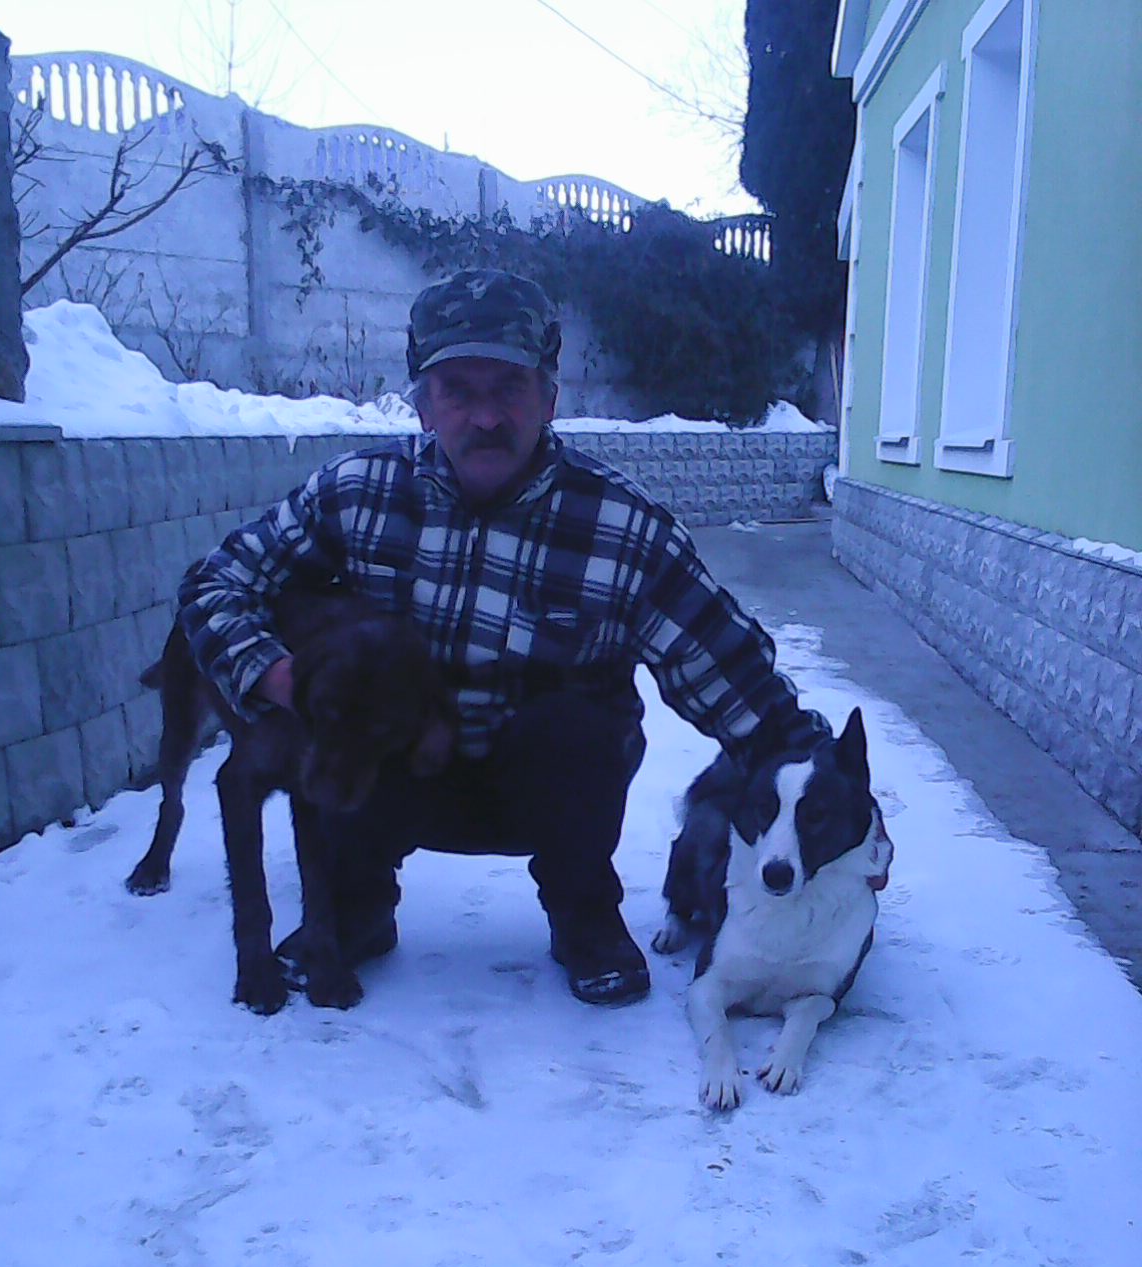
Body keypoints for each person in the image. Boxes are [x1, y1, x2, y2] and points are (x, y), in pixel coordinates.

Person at [178, 267, 830, 1008]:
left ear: (549, 397)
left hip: (546, 788)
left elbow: (737, 683)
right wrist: (285, 681)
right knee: (355, 705)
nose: (485, 417)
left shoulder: (624, 529)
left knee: (579, 726)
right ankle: (352, 906)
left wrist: (834, 802)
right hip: (393, 775)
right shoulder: (354, 494)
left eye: (509, 388)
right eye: (457, 390)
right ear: (422, 405)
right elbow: (215, 585)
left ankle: (584, 913)